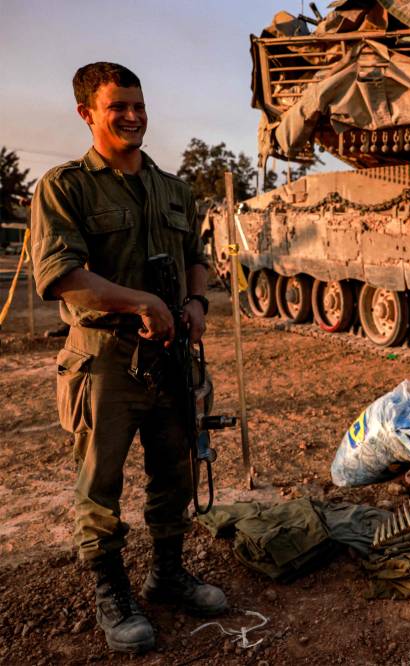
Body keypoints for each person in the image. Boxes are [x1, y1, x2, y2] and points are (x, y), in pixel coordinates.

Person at [30, 62, 226, 654]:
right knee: (101, 484)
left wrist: (193, 301)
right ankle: (111, 590)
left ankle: (167, 573)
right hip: (105, 360)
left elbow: (196, 254)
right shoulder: (65, 187)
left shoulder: (172, 189)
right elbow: (63, 277)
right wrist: (140, 301)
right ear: (87, 113)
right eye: (118, 106)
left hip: (171, 358)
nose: (134, 115)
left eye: (138, 104)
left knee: (175, 472)